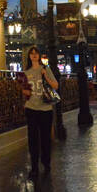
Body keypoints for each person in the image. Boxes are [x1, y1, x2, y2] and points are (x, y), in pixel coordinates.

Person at [20, 46, 59, 177]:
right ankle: (34, 167)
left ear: (39, 55)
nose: (34, 55)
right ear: (29, 56)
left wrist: (45, 76)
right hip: (31, 108)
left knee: (45, 138)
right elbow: (24, 89)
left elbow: (55, 86)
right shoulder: (26, 72)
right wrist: (24, 92)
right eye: (31, 53)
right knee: (32, 139)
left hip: (45, 109)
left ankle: (46, 163)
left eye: (36, 53)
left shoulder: (45, 69)